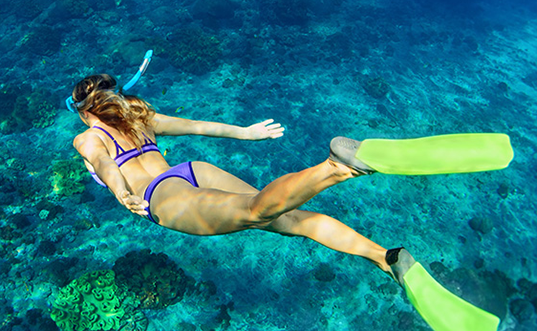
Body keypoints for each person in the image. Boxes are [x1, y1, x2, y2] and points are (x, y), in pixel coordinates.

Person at [70, 73, 393, 274]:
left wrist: (121, 193)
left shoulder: (88, 137)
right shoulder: (140, 118)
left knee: (256, 211)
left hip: (161, 196)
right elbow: (198, 126)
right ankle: (384, 257)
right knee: (289, 219)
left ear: (85, 112)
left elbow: (103, 163)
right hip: (193, 171)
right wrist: (245, 132)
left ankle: (335, 168)